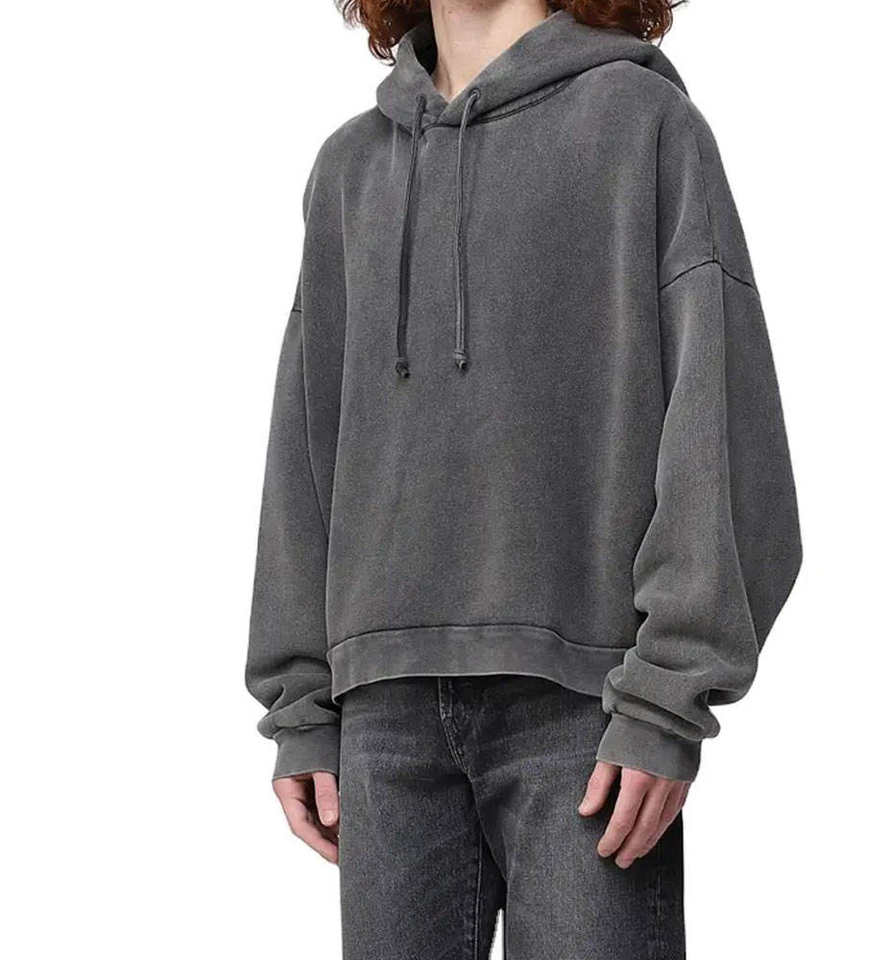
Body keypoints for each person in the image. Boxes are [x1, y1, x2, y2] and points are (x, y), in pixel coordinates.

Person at [245, 0, 802, 956]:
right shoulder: (349, 170)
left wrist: (667, 698)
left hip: (585, 712)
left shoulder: (642, 125)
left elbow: (721, 426)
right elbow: (304, 445)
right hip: (383, 717)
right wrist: (299, 699)